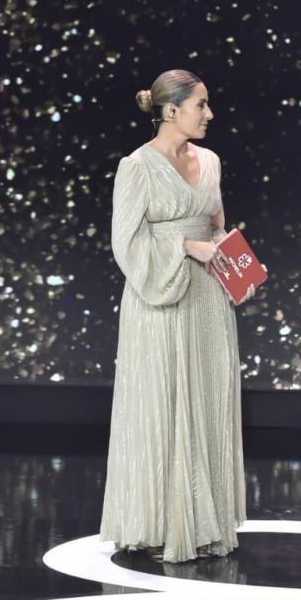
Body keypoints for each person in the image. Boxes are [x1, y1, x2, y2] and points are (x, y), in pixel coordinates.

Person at [101, 69, 246, 563]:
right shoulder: (137, 166)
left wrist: (237, 262)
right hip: (159, 298)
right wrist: (185, 245)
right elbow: (126, 242)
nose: (209, 113)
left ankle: (203, 525)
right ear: (171, 110)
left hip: (206, 299)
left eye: (207, 104)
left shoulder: (210, 161)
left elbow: (218, 223)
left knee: (205, 403)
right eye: (200, 104)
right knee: (163, 404)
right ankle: (162, 523)